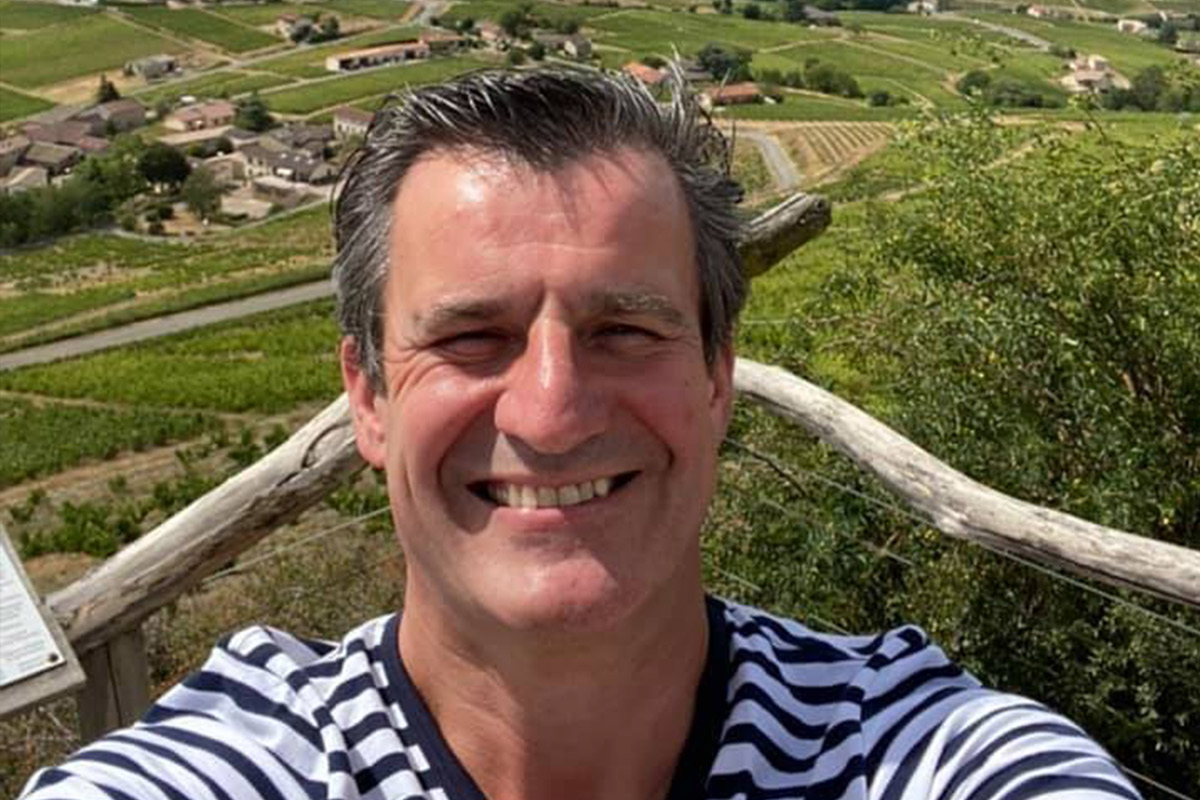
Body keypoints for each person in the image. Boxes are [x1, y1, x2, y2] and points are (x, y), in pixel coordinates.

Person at [21, 68, 1139, 800]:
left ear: (715, 378)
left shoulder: (914, 753)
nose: (552, 410)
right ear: (366, 396)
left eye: (623, 327)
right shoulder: (227, 772)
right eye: (471, 336)